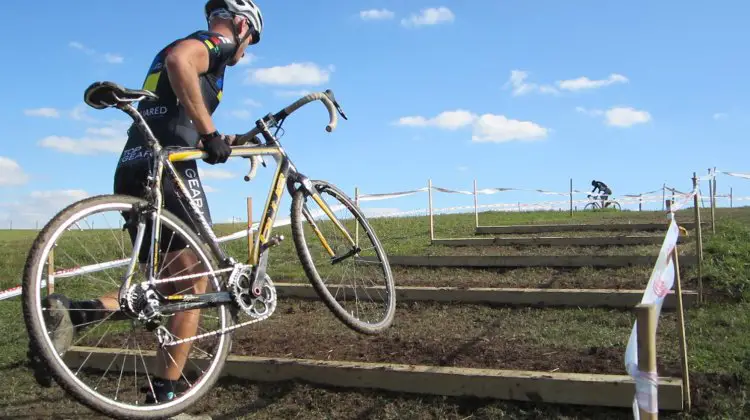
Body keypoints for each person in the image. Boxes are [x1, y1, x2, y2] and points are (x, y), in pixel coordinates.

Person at [35, 0, 264, 405]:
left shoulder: (183, 51)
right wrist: (208, 132)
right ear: (242, 25)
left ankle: (76, 314)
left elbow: (172, 107)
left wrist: (219, 138)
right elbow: (180, 61)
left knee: (164, 289)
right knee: (198, 284)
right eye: (253, 40)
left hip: (132, 163)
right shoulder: (218, 42)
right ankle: (164, 398)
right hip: (169, 169)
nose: (247, 53)